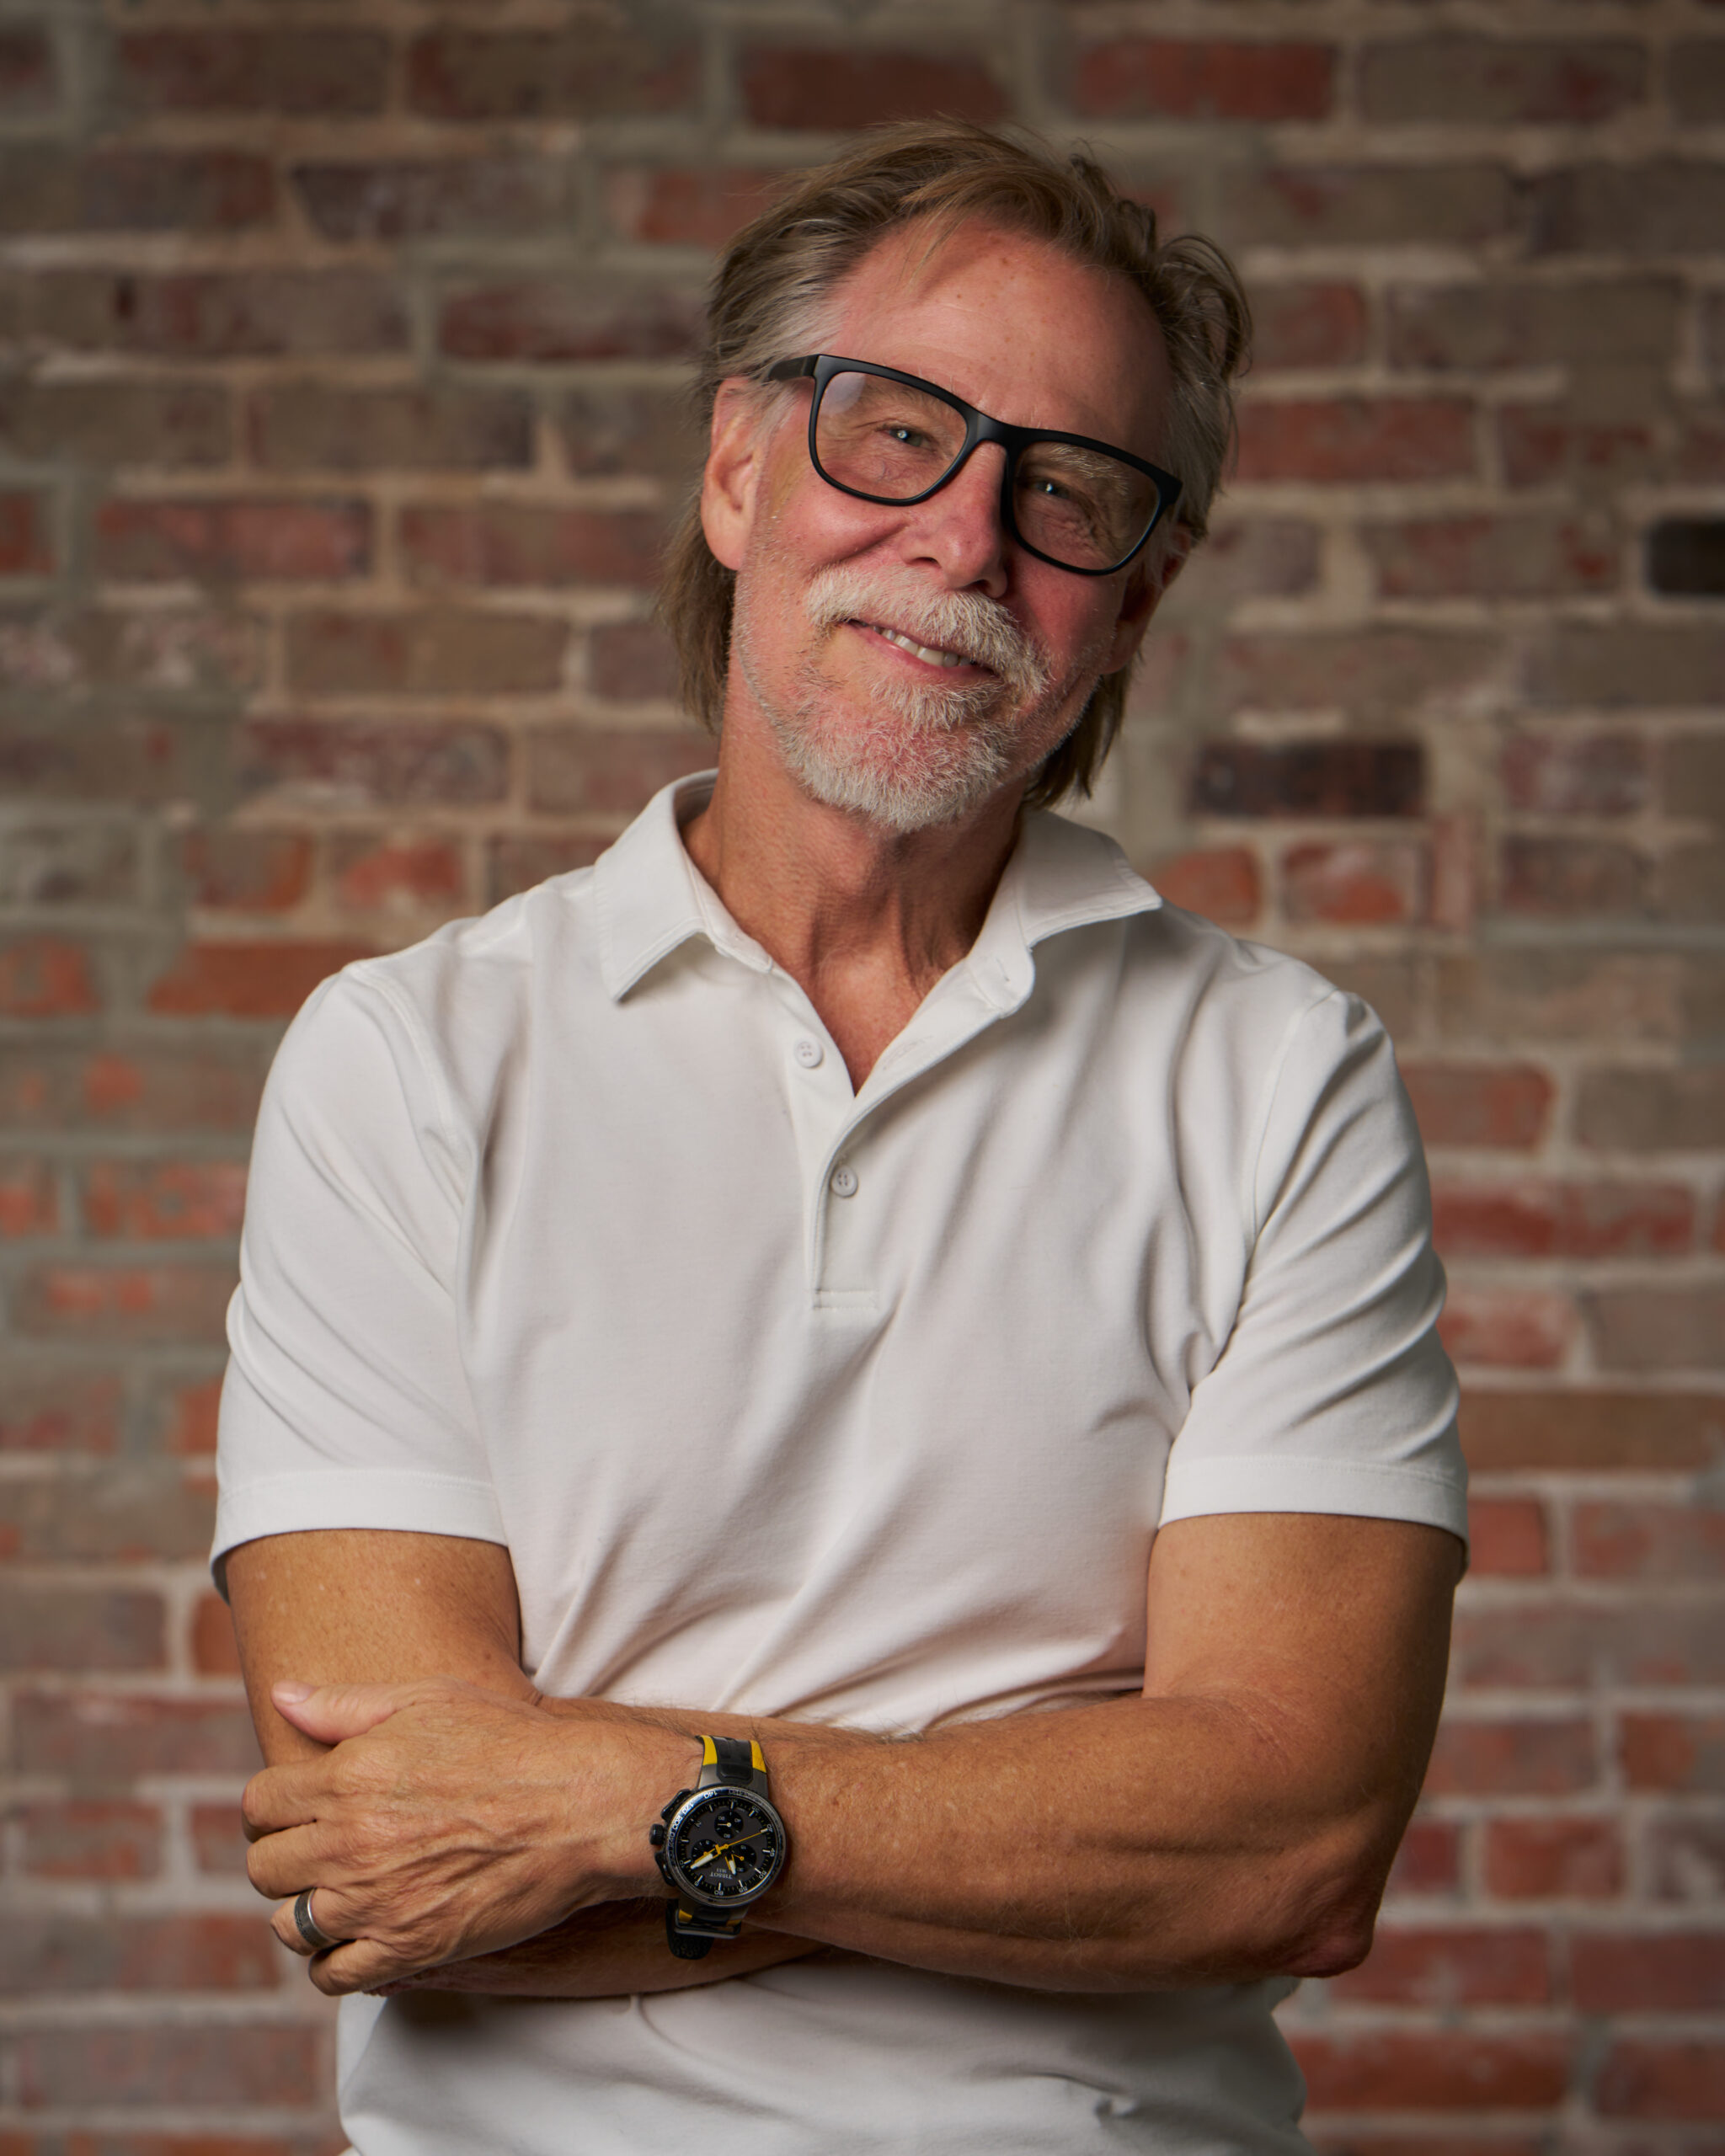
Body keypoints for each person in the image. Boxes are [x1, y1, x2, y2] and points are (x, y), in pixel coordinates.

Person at [219, 120, 1467, 2156]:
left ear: (1134, 602)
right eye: (896, 431)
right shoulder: (406, 1059)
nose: (965, 540)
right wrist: (1044, 1823)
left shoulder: (1277, 1076)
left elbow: (1289, 1849)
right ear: (739, 469)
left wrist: (621, 1798)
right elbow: (391, 1873)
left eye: (1066, 490)